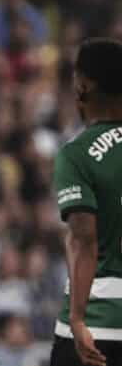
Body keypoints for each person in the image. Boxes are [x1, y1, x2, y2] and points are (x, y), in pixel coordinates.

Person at [49, 38, 122, 366]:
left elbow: (84, 239)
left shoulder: (77, 154)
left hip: (98, 321)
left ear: (83, 87)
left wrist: (77, 319)